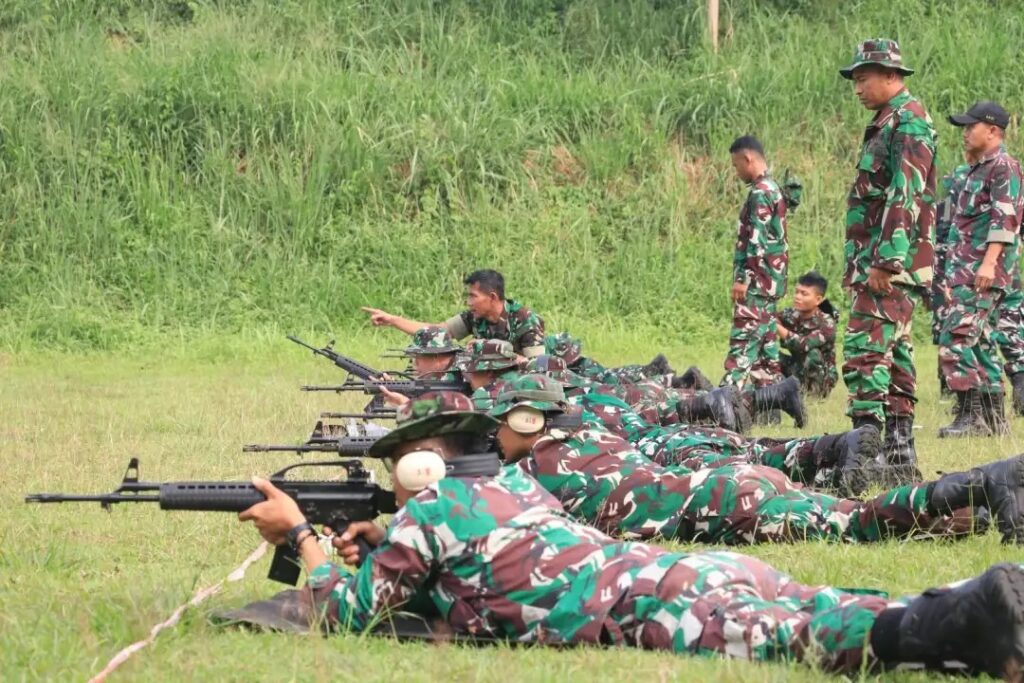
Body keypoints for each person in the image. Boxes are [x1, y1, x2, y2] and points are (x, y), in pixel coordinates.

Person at [237, 392, 1024, 678]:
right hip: (685, 568)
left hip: (654, 605)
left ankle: (961, 621)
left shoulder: (436, 515)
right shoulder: (509, 485)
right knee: (819, 596)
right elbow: (475, 559)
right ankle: (974, 610)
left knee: (812, 633)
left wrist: (303, 535)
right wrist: (386, 538)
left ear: (419, 466)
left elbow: (340, 615)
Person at [488, 375, 1020, 547]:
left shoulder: (538, 470)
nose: (490, 435)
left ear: (528, 422)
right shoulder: (585, 437)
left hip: (723, 499)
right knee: (845, 514)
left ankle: (983, 481)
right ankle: (966, 506)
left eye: (497, 423)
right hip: (727, 486)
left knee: (853, 522)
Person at [839, 38, 936, 483]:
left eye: (863, 78)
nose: (857, 87)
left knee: (865, 351)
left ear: (891, 76)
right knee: (895, 360)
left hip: (886, 266)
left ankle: (864, 458)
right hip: (880, 262)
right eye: (855, 80)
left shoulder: (908, 122)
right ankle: (898, 460)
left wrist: (887, 261)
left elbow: (906, 192)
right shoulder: (888, 121)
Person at [938, 101, 1024, 438]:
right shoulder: (977, 169)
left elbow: (1006, 219)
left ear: (993, 131)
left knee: (955, 338)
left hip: (982, 272)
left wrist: (988, 264)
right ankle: (992, 421)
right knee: (982, 342)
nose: (965, 132)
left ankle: (971, 419)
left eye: (970, 126)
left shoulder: (1004, 167)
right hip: (967, 271)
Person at [721, 136, 790, 393]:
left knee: (744, 339)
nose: (736, 171)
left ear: (748, 158)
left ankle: (724, 400)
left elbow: (756, 240)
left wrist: (743, 279)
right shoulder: (773, 188)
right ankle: (773, 399)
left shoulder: (761, 192)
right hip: (770, 281)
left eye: (736, 165)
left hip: (758, 282)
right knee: (766, 347)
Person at [362, 269, 546, 357]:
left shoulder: (525, 320)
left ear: (492, 297)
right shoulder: (474, 317)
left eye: (473, 297)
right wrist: (393, 320)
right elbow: (437, 332)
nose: (469, 302)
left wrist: (491, 348)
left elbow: (537, 369)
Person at [776, 271, 839, 398]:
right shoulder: (792, 314)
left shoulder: (827, 324)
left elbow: (803, 344)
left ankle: (812, 397)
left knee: (813, 355)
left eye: (804, 294)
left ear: (818, 300)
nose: (798, 297)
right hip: (796, 367)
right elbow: (772, 317)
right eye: (797, 292)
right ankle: (777, 392)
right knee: (770, 353)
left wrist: (776, 327)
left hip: (821, 377)